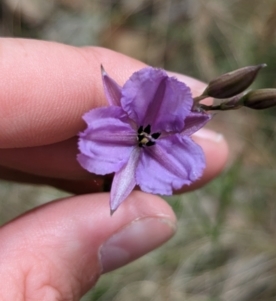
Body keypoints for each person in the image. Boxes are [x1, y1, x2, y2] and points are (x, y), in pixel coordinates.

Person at [0, 38, 228, 300]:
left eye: (148, 137)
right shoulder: (132, 131)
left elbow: (181, 162)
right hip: (124, 160)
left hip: (129, 163)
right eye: (145, 136)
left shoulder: (166, 134)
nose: (146, 138)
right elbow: (95, 138)